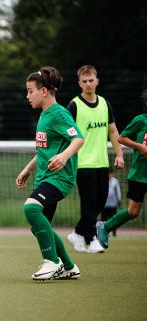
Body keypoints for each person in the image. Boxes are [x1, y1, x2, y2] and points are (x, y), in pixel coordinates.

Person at [16, 66, 84, 281]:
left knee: (31, 209)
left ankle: (52, 261)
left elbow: (78, 138)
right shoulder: (45, 115)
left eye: (30, 91)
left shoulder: (59, 113)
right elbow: (44, 151)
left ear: (44, 91)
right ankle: (69, 267)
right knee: (39, 227)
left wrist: (64, 157)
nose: (27, 96)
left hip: (59, 178)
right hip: (44, 176)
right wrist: (27, 169)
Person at [66, 65, 125, 254]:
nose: (88, 84)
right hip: (82, 163)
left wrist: (120, 154)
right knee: (89, 203)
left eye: (91, 80)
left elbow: (113, 131)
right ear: (79, 83)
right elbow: (66, 132)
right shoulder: (74, 105)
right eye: (84, 81)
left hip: (102, 162)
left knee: (100, 203)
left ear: (97, 81)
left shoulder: (105, 104)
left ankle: (77, 232)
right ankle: (91, 239)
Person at [96, 90, 147, 249]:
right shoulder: (141, 121)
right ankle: (105, 227)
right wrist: (140, 146)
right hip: (140, 175)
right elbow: (121, 138)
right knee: (133, 212)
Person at [100, 168, 122, 237]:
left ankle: (114, 233)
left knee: (114, 219)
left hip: (113, 205)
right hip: (104, 205)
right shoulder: (103, 181)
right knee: (103, 219)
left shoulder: (115, 182)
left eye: (110, 173)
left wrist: (119, 201)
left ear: (112, 174)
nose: (109, 175)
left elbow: (118, 192)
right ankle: (103, 233)